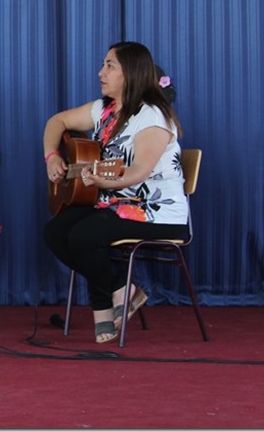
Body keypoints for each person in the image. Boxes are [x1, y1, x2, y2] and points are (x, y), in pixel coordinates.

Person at [43, 41, 188, 344]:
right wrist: (52, 157)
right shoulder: (103, 110)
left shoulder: (153, 116)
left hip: (155, 211)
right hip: (114, 203)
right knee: (56, 231)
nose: (101, 72)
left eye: (110, 66)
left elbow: (138, 172)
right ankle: (123, 288)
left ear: (131, 73)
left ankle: (102, 309)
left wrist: (103, 183)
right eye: (103, 64)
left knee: (84, 235)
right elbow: (57, 122)